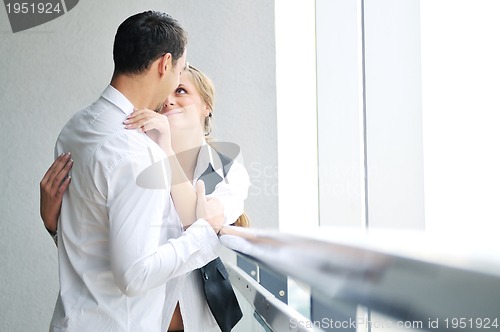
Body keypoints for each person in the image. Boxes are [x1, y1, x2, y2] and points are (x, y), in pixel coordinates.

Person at [46, 11, 227, 332]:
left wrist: (53, 225)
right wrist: (205, 233)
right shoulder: (137, 153)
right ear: (164, 64)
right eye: (181, 70)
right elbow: (135, 275)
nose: (177, 83)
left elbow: (91, 236)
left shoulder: (74, 129)